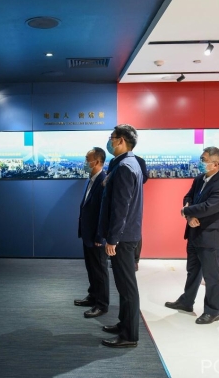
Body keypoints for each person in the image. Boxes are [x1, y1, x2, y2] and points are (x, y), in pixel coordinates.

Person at [165, 147, 219, 324]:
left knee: (212, 276)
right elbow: (188, 198)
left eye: (204, 160)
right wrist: (189, 216)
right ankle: (186, 302)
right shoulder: (199, 179)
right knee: (193, 271)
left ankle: (212, 311)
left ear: (216, 164)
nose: (200, 163)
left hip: (210, 236)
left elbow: (209, 207)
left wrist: (186, 211)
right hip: (194, 233)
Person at [97, 124, 143, 348]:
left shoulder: (125, 166)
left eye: (112, 137)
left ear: (121, 140)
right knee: (124, 285)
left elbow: (121, 207)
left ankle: (129, 335)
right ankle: (124, 324)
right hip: (127, 234)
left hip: (123, 237)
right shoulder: (128, 163)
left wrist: (113, 238)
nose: (110, 141)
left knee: (127, 287)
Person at [74, 147, 108, 318]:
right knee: (91, 268)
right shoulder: (91, 180)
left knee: (100, 270)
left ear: (97, 161)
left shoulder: (103, 181)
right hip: (88, 234)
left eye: (87, 159)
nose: (85, 162)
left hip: (97, 236)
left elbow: (104, 212)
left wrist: (100, 236)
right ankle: (93, 296)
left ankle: (102, 304)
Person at [133, 155, 148, 271]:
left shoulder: (139, 161)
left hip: (134, 198)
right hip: (117, 198)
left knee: (135, 228)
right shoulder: (114, 161)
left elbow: (144, 178)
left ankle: (135, 260)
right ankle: (117, 257)